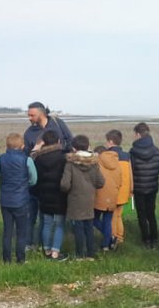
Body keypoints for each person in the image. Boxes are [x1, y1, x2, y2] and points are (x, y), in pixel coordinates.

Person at [23, 101, 74, 248]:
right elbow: (27, 157)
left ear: (41, 113)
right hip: (36, 182)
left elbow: (70, 143)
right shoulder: (29, 132)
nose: (29, 118)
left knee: (48, 217)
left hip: (57, 180)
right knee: (32, 215)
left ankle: (42, 244)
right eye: (28, 115)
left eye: (32, 115)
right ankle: (29, 244)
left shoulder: (58, 124)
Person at [0, 133, 37, 264]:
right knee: (21, 232)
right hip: (22, 200)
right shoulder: (27, 160)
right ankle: (20, 259)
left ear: (7, 145)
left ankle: (6, 260)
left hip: (5, 200)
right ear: (22, 146)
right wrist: (26, 184)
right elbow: (34, 179)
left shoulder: (1, 158)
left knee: (7, 231)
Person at [61, 135, 105, 259]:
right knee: (89, 228)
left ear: (74, 148)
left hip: (75, 200)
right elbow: (101, 182)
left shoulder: (70, 164)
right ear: (87, 146)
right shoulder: (94, 164)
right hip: (89, 200)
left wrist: (67, 190)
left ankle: (80, 254)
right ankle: (91, 253)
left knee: (78, 229)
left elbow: (64, 184)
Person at [33, 130, 69, 261]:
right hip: (60, 195)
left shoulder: (38, 158)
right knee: (59, 224)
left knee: (47, 223)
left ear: (44, 142)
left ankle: (47, 250)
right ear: (59, 141)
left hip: (44, 194)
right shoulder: (64, 157)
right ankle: (55, 252)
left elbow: (35, 178)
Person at [129, 122, 159, 249]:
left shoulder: (132, 151)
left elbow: (130, 170)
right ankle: (155, 238)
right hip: (152, 187)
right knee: (151, 213)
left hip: (138, 188)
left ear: (138, 134)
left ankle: (146, 239)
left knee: (141, 214)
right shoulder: (155, 150)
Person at [105, 130, 132, 246]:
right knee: (118, 215)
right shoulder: (126, 156)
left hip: (113, 190)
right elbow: (130, 174)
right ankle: (120, 237)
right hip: (124, 190)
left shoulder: (108, 156)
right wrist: (131, 189)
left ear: (110, 142)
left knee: (112, 216)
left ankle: (113, 237)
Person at [93, 145, 122, 252]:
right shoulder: (117, 163)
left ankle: (110, 238)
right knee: (107, 220)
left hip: (99, 196)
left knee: (93, 219)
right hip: (113, 195)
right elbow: (120, 181)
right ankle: (106, 244)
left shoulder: (97, 164)